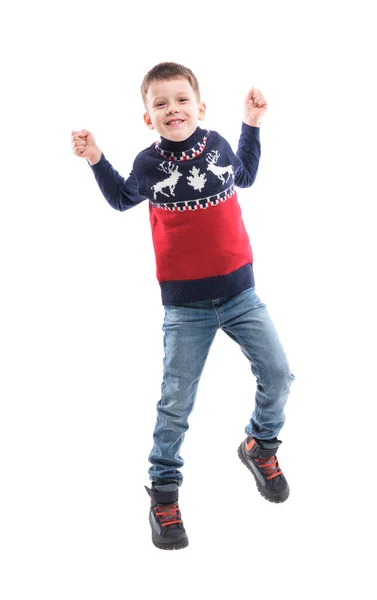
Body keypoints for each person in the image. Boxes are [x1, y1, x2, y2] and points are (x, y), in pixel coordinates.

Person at [71, 61, 295, 551]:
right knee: (175, 404)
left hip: (241, 295)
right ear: (148, 117)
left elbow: (248, 175)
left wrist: (250, 125)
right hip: (186, 308)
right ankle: (165, 494)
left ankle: (261, 444)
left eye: (181, 100)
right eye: (160, 103)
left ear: (200, 107)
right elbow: (121, 199)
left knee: (279, 375)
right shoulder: (149, 165)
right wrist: (96, 159)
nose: (173, 109)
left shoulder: (215, 145)